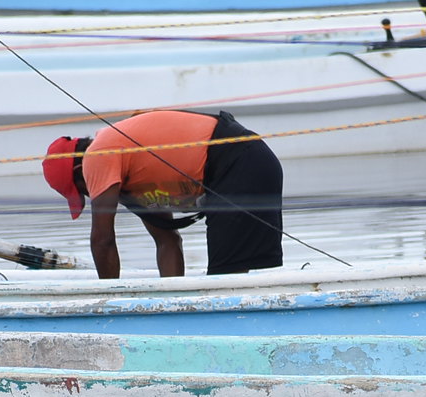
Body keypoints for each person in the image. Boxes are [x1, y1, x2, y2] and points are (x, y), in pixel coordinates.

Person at [41, 110, 283, 279]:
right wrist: (172, 301)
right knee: (230, 275)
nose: (92, 194)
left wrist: (109, 306)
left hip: (238, 164)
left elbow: (102, 240)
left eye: (83, 190)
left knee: (225, 280)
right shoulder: (131, 165)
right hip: (252, 161)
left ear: (78, 169)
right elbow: (167, 241)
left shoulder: (98, 155)